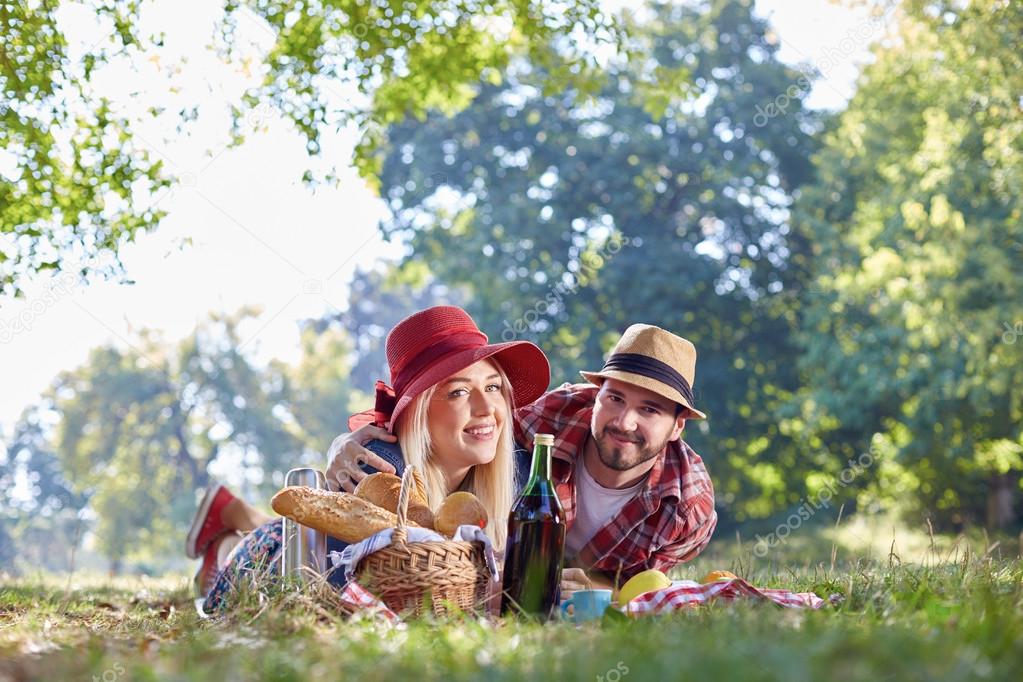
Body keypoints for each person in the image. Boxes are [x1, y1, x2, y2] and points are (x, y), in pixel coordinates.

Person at [185, 305, 550, 610]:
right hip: (275, 557)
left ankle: (234, 515)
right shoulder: (377, 467)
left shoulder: (516, 468)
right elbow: (355, 595)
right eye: (458, 392)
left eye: (493, 387)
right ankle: (226, 547)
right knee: (256, 543)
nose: (487, 407)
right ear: (417, 413)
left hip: (305, 538)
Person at [329, 323, 717, 597]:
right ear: (594, 394)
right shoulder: (550, 421)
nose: (624, 421)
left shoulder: (688, 507)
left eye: (650, 410)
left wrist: (570, 585)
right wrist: (345, 445)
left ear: (678, 425)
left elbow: (638, 591)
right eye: (614, 398)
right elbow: (439, 429)